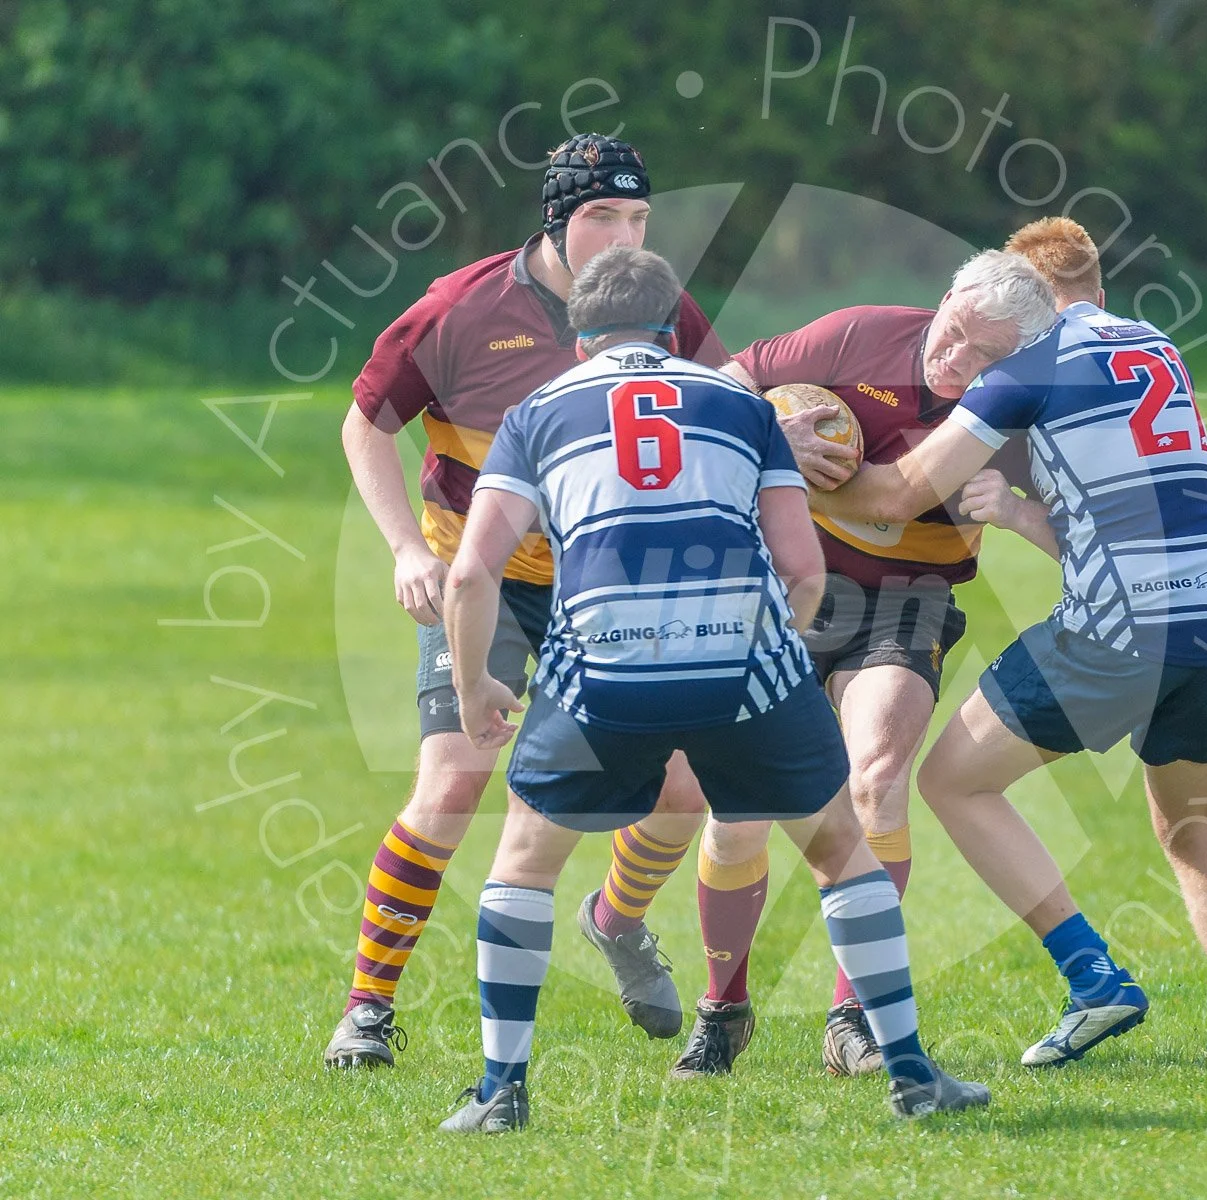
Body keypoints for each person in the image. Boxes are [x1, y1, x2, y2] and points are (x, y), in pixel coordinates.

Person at [435, 246, 989, 1132]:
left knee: (523, 866)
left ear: (578, 342)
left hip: (600, 669)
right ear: (673, 329)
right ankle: (914, 1075)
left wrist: (474, 689)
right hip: (745, 666)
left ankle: (501, 1093)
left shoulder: (536, 413)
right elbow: (802, 569)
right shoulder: (740, 405)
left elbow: (470, 578)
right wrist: (767, 653)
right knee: (843, 849)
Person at [811, 219, 1207, 1079]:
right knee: (1192, 832)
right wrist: (1012, 511)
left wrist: (792, 465)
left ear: (1026, 303)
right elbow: (1128, 511)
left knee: (952, 780)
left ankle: (1093, 975)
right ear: (1097, 289)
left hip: (1119, 627)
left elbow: (897, 494)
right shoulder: (1155, 349)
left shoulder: (1026, 369)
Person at [324, 134, 726, 1070]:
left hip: (604, 583)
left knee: (682, 786)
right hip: (482, 576)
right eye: (602, 218)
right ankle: (368, 1010)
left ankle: (616, 921)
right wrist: (399, 552)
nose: (626, 237)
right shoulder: (463, 311)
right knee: (457, 780)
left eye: (638, 218)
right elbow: (365, 424)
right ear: (555, 219)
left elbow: (718, 402)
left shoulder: (660, 305)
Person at [669, 257, 1046, 1079]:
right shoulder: (859, 334)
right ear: (942, 298)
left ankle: (854, 1017)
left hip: (911, 598)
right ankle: (722, 1008)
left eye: (985, 357)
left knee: (876, 774)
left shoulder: (1028, 406)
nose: (957, 365)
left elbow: (1083, 523)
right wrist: (772, 432)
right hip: (792, 588)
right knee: (739, 809)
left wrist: (1018, 512)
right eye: (954, 336)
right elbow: (715, 392)